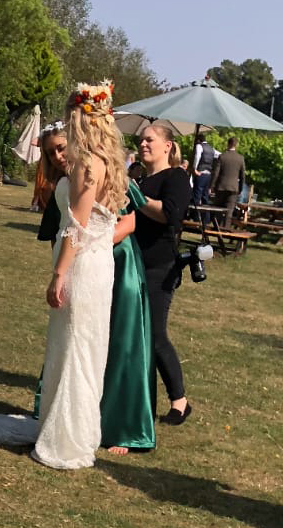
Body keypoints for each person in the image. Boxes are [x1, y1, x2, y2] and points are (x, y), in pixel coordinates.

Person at [34, 80, 126, 469]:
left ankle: (68, 440)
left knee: (76, 349)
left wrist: (59, 273)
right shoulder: (106, 163)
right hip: (97, 260)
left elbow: (76, 225)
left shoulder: (90, 165)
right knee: (78, 347)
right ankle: (65, 429)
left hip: (83, 263)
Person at [134, 125, 193, 425]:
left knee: (156, 335)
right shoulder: (141, 178)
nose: (143, 144)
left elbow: (170, 215)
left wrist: (137, 197)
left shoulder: (176, 177)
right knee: (134, 334)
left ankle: (179, 401)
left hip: (160, 267)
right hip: (134, 264)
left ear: (167, 146)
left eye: (149, 140)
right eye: (141, 140)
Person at [101, 178, 157, 454]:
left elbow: (130, 222)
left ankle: (123, 427)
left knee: (123, 338)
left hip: (118, 261)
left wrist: (91, 244)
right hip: (88, 261)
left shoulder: (119, 178)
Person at [34, 121, 67, 244]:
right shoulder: (58, 185)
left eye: (61, 148)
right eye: (51, 153)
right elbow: (53, 231)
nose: (57, 156)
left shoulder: (91, 179)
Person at [209, 137, 246, 228]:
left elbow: (216, 173)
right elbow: (242, 176)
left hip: (221, 186)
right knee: (229, 211)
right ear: (236, 145)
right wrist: (240, 188)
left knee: (218, 209)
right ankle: (225, 228)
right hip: (233, 188)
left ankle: (216, 227)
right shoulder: (240, 158)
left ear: (228, 144)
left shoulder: (222, 156)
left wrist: (212, 186)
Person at [190, 135, 217, 205]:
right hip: (208, 175)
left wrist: (194, 168)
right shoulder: (211, 148)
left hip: (200, 173)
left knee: (196, 196)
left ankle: (195, 215)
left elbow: (197, 157)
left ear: (198, 140)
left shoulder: (199, 146)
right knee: (205, 197)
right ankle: (206, 216)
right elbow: (219, 155)